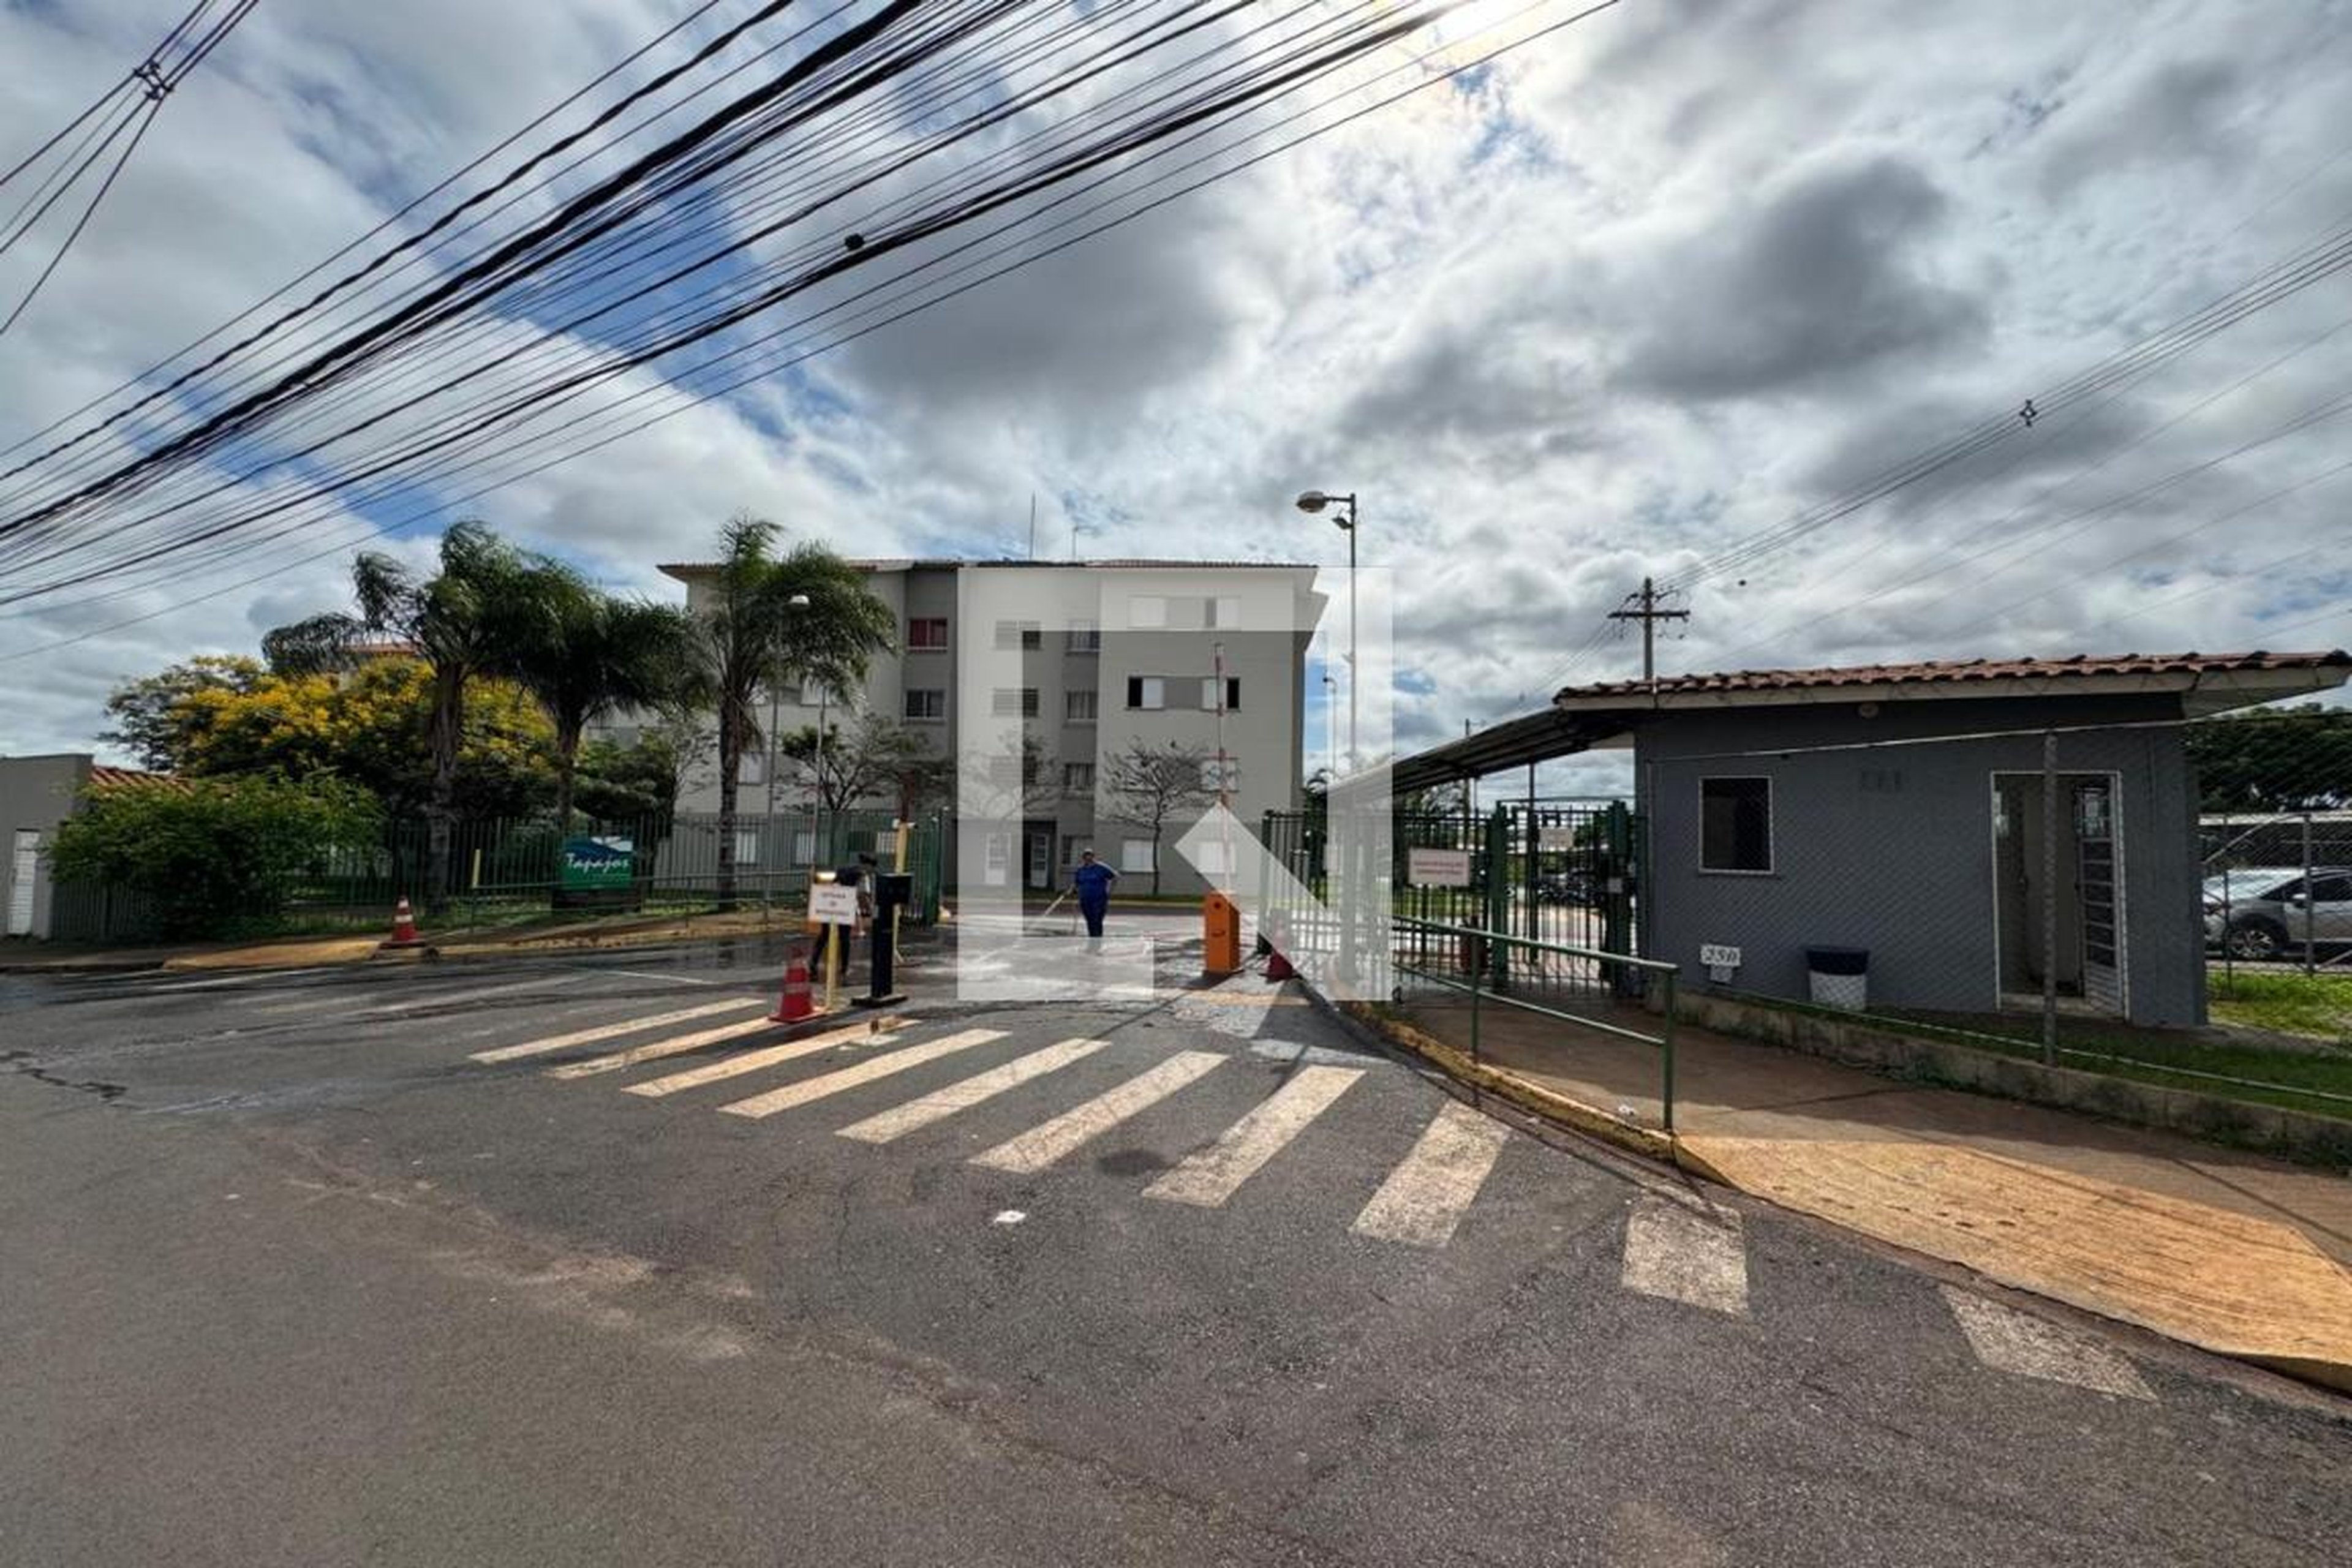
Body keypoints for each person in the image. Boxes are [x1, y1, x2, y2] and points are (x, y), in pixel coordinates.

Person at [1072, 848, 1118, 947]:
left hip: (1099, 900)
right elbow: (1077, 883)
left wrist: (1109, 892)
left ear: (1093, 857)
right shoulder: (1081, 870)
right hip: (1085, 901)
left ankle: (1097, 945)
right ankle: (1092, 943)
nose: (1088, 858)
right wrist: (1074, 890)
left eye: (1090, 856)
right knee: (1090, 922)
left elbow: (1115, 877)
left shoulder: (1101, 868)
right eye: (1086, 856)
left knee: (1097, 921)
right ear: (1083, 858)